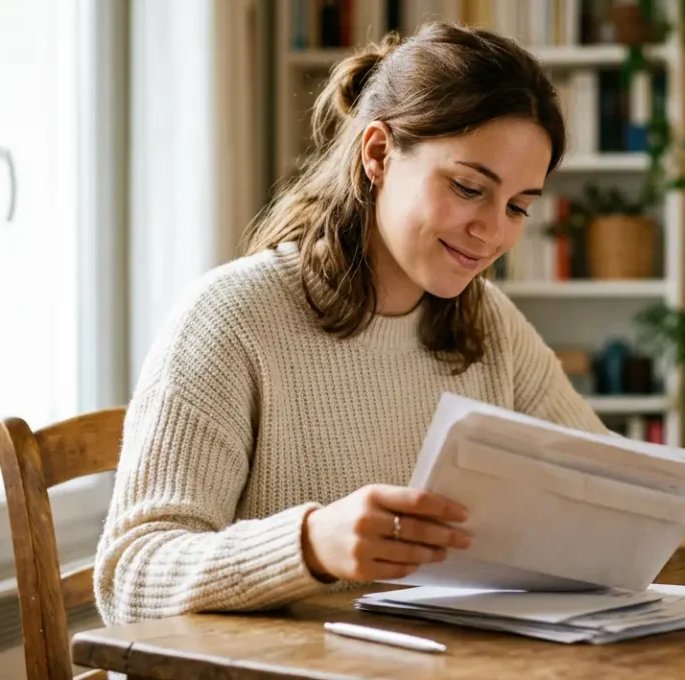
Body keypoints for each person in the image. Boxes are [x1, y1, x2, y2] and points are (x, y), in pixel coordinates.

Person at [93, 22, 610, 626]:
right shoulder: (231, 318)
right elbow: (129, 578)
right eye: (469, 188)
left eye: (519, 206)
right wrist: (309, 545)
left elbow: (604, 489)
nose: (494, 232)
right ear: (378, 155)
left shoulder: (489, 324)